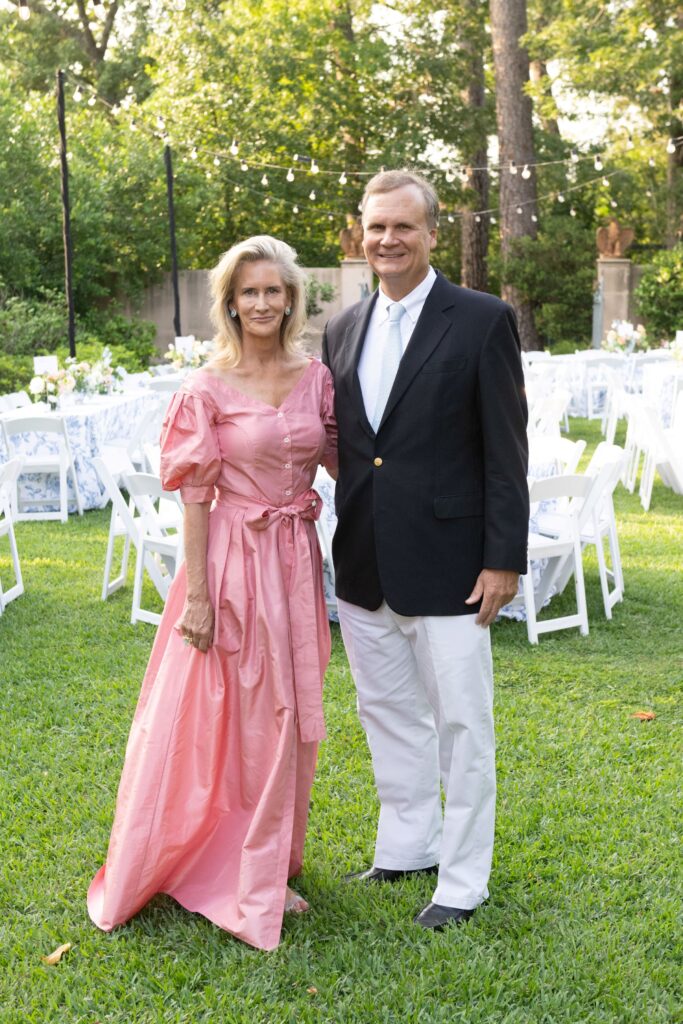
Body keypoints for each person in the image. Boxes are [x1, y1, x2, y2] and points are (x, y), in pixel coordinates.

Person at [88, 236, 337, 951]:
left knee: (288, 715)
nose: (262, 303)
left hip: (293, 560)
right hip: (230, 563)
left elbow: (348, 461)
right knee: (230, 716)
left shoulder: (315, 376)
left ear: (292, 298)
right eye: (248, 292)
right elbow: (194, 498)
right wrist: (196, 596)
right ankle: (223, 863)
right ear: (229, 302)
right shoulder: (205, 388)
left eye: (274, 291)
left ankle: (267, 859)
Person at [322, 170, 529, 931]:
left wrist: (502, 556)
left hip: (453, 564)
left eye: (403, 227)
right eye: (376, 227)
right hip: (365, 560)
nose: (387, 240)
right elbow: (352, 447)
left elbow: (506, 450)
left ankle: (462, 881)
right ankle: (407, 844)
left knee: (461, 726)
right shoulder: (342, 327)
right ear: (361, 232)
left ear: (432, 232)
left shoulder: (479, 319)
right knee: (385, 714)